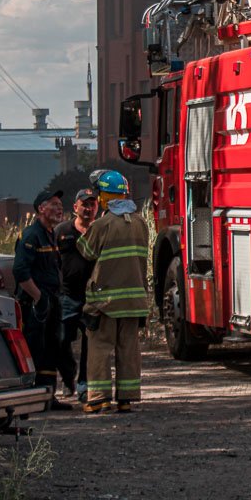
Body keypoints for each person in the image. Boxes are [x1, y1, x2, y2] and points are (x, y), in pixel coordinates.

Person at [77, 171, 149, 414]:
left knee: (99, 347)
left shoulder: (102, 225)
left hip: (105, 301)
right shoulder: (140, 223)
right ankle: (126, 398)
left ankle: (99, 398)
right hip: (134, 300)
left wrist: (85, 229)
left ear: (104, 198)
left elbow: (86, 252)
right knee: (128, 349)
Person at [13, 189, 71, 410]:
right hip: (36, 306)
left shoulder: (50, 234)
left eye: (60, 204)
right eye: (54, 204)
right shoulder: (31, 235)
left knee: (51, 349)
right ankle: (31, 398)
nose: (59, 208)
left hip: (52, 302)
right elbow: (20, 271)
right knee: (35, 349)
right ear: (41, 209)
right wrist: (39, 299)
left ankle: (48, 396)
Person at [55, 188, 99, 401]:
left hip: (92, 297)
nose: (89, 209)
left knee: (90, 341)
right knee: (62, 339)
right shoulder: (62, 231)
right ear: (75, 208)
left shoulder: (100, 231)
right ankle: (67, 376)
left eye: (93, 205)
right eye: (85, 205)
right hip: (67, 296)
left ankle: (84, 382)